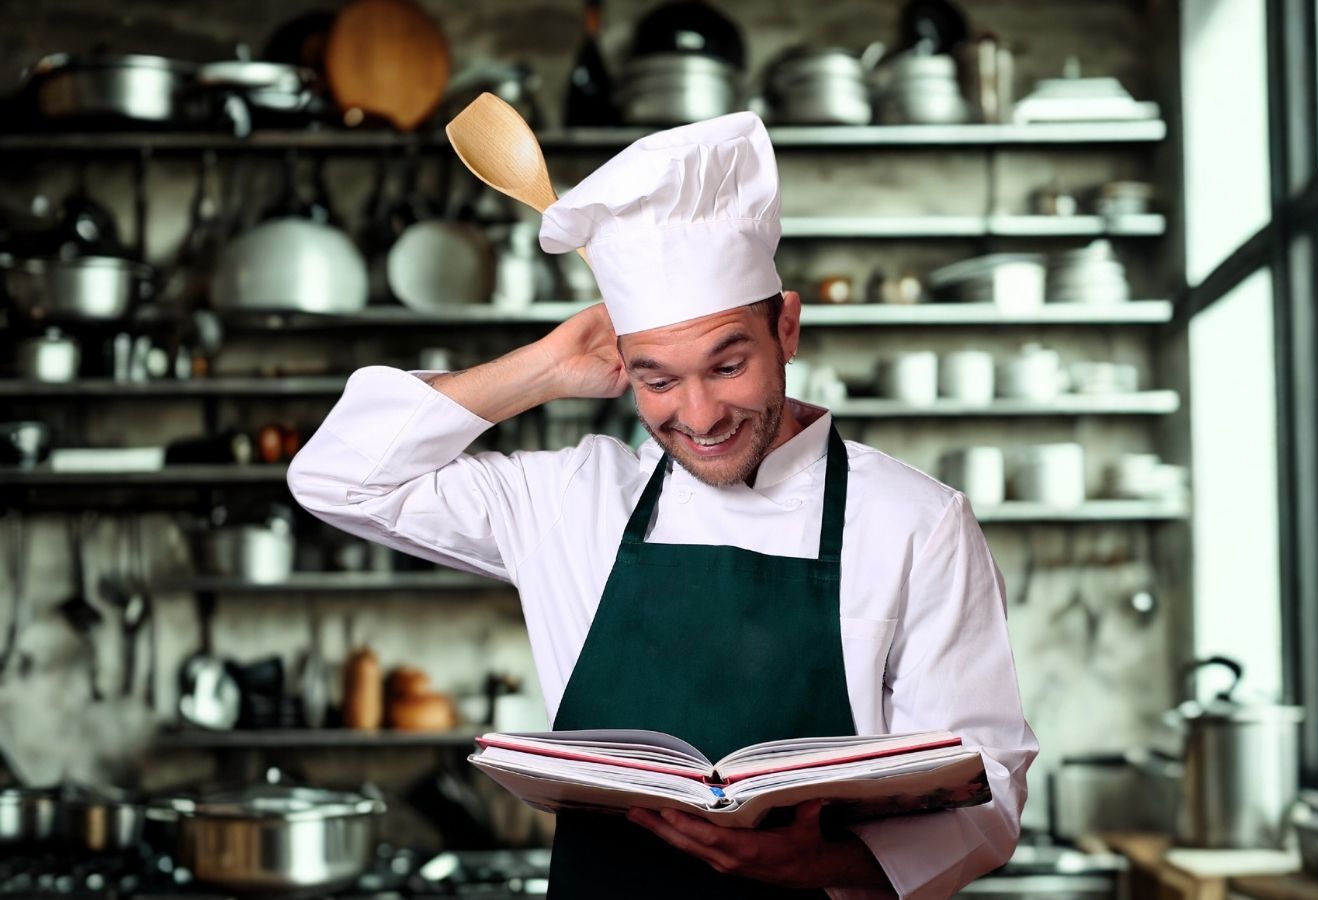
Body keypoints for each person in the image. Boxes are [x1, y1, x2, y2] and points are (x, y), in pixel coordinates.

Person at [288, 111, 1037, 899]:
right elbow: (339, 478)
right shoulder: (573, 500)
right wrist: (540, 368)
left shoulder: (917, 522)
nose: (701, 415)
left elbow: (986, 784)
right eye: (658, 379)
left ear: (786, 326)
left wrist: (830, 865)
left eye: (728, 364)